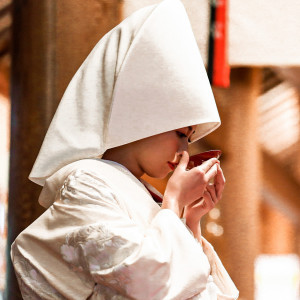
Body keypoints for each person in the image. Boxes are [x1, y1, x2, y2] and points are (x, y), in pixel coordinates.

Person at [11, 0, 239, 299]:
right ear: (142, 120)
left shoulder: (141, 192)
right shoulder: (86, 181)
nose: (184, 149)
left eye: (189, 138)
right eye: (181, 134)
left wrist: (191, 220)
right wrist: (173, 201)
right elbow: (146, 284)